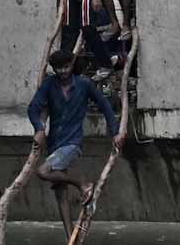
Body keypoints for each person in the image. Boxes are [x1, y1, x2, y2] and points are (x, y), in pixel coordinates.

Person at [27, 47, 123, 223]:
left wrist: (115, 133)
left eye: (66, 67)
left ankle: (82, 184)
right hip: (54, 143)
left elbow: (105, 106)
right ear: (54, 69)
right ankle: (69, 241)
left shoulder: (83, 84)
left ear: (71, 66)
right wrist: (39, 128)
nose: (63, 72)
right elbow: (33, 108)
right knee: (61, 197)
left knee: (42, 171)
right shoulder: (49, 84)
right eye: (59, 68)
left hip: (72, 142)